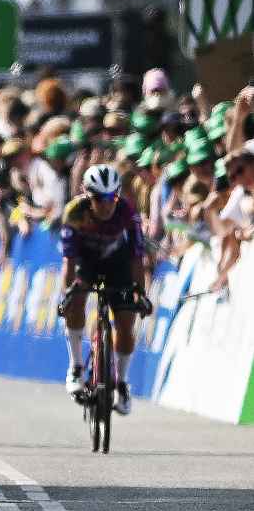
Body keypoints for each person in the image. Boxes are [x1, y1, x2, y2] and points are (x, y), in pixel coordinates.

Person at [59, 165, 153, 416]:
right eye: (99, 198)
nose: (106, 204)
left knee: (125, 322)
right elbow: (68, 262)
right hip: (86, 262)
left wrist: (139, 294)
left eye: (112, 197)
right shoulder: (74, 212)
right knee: (75, 301)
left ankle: (121, 383)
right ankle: (76, 366)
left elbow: (137, 258)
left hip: (118, 264)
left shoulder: (126, 211)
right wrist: (67, 294)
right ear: (87, 197)